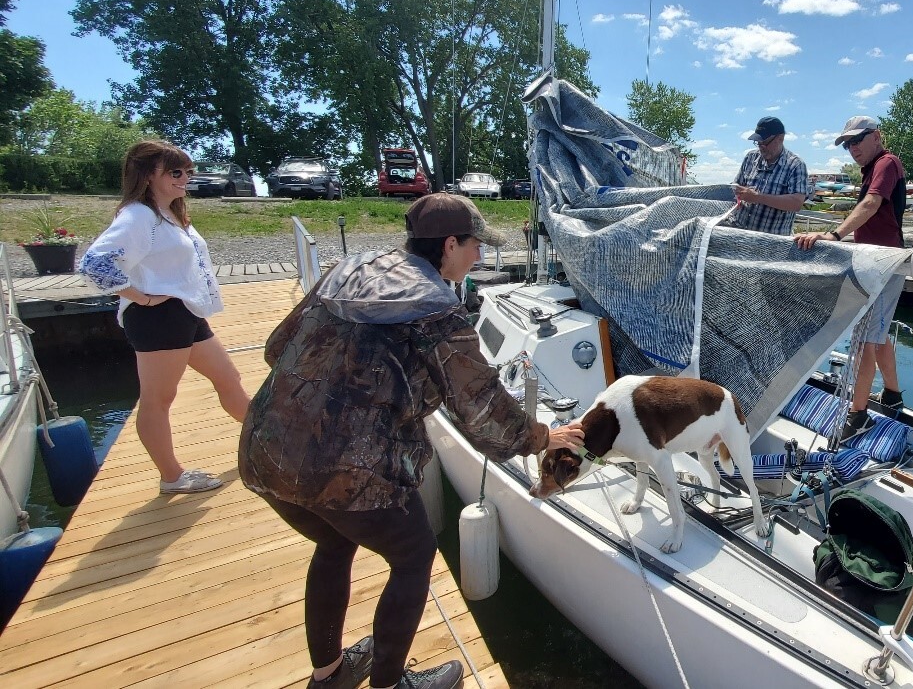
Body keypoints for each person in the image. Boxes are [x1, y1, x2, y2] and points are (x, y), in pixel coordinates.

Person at [239, 193, 584, 689]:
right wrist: (544, 436)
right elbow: (482, 410)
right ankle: (390, 683)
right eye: (475, 247)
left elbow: (276, 347)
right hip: (343, 470)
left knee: (333, 542)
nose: (480, 258)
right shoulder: (437, 311)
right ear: (448, 245)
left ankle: (329, 674)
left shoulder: (350, 269)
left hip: (264, 448)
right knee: (414, 555)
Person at [78, 140, 250, 494]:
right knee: (158, 398)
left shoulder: (168, 213)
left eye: (188, 171)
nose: (185, 177)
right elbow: (95, 262)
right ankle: (171, 476)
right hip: (158, 317)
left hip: (185, 312)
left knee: (228, 379)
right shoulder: (139, 215)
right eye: (175, 172)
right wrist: (141, 296)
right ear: (147, 175)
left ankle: (269, 440)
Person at [794, 116, 908, 438]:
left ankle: (857, 417)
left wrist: (835, 234)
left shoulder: (886, 162)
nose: (852, 148)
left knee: (863, 341)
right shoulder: (872, 169)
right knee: (878, 335)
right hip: (876, 263)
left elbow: (871, 204)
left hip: (883, 264)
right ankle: (893, 395)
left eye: (858, 140)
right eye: (848, 144)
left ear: (877, 136)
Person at [728, 116, 809, 236]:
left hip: (771, 243)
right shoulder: (750, 157)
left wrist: (758, 197)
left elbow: (796, 203)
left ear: (780, 138)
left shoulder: (795, 165)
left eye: (765, 142)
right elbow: (736, 187)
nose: (761, 146)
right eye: (758, 142)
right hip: (739, 234)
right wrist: (738, 194)